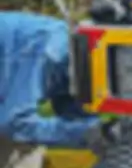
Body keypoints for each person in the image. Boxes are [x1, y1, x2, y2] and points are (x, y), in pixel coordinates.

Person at [0, 11, 115, 150]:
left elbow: (14, 122)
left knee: (26, 129)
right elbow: (14, 122)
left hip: (34, 50)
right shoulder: (43, 52)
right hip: (40, 46)